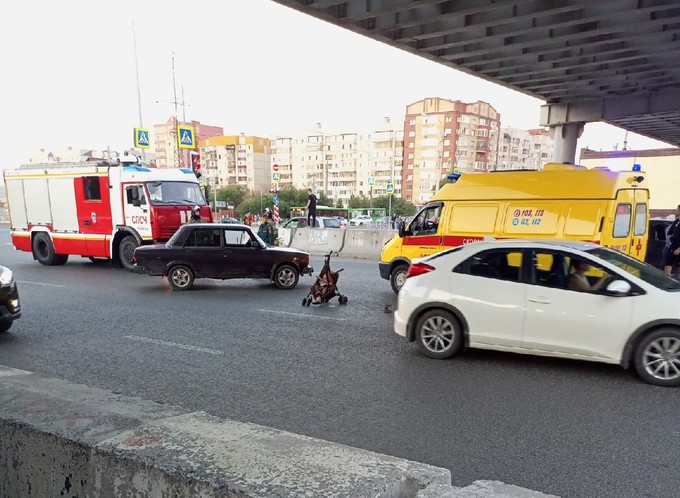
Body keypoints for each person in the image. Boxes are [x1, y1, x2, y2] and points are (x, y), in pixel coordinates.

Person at [664, 205, 680, 275]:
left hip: (678, 248)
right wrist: (672, 237)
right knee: (668, 262)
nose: (675, 210)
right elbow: (669, 233)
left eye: (677, 209)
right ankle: (666, 280)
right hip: (673, 246)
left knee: (678, 266)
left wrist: (679, 249)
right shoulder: (676, 221)